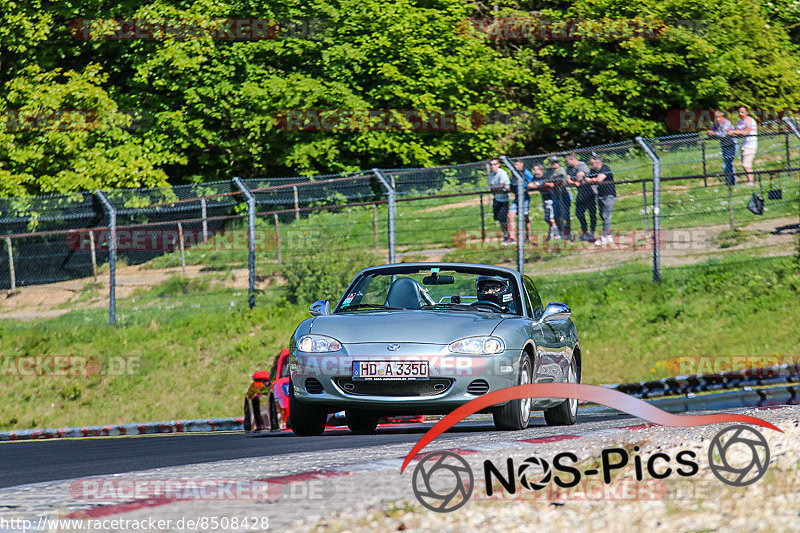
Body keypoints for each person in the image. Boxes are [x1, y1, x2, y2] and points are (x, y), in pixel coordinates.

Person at [586, 154, 616, 246]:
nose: (591, 165)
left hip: (609, 195)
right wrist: (592, 179)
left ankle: (604, 236)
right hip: (600, 195)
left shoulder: (605, 168)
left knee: (606, 215)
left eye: (592, 163)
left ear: (597, 162)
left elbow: (599, 179)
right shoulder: (593, 170)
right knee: (602, 216)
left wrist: (592, 179)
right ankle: (608, 235)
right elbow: (586, 178)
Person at [566, 153, 596, 242]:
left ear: (572, 160)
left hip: (589, 191)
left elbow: (580, 176)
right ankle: (585, 232)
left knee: (592, 213)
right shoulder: (570, 169)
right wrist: (574, 182)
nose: (567, 163)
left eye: (567, 161)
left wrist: (575, 181)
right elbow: (567, 179)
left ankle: (592, 232)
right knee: (579, 213)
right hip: (580, 193)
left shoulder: (581, 165)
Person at [527, 164, 559, 240]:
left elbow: (550, 184)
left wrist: (540, 185)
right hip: (544, 198)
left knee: (550, 217)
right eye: (533, 170)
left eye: (535, 169)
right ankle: (552, 233)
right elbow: (530, 185)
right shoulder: (535, 178)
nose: (534, 171)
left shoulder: (546, 176)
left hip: (551, 198)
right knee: (547, 218)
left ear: (540, 170)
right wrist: (539, 185)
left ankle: (556, 234)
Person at [707, 110, 737, 186]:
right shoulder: (715, 124)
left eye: (718, 117)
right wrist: (710, 133)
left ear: (722, 117)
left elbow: (724, 134)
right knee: (728, 165)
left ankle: (731, 183)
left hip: (731, 145)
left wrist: (714, 133)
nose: (717, 119)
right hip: (724, 146)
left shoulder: (727, 123)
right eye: (715, 117)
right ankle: (730, 183)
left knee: (727, 164)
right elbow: (712, 131)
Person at [730, 105, 758, 185]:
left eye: (742, 112)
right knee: (745, 165)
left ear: (746, 112)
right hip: (744, 146)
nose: (740, 113)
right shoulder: (740, 122)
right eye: (739, 112)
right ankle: (750, 180)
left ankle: (751, 182)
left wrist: (735, 132)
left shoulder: (749, 120)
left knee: (746, 165)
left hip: (751, 145)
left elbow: (746, 132)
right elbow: (737, 131)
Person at [545, 155, 571, 240]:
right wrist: (550, 184)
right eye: (552, 162)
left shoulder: (561, 169)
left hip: (564, 194)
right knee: (556, 216)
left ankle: (567, 233)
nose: (554, 164)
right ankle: (560, 232)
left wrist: (551, 183)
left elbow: (559, 181)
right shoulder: (548, 171)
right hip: (555, 195)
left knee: (566, 214)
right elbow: (545, 182)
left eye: (556, 162)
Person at [487, 158, 512, 244]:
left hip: (504, 199)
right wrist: (496, 190)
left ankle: (509, 236)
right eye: (491, 164)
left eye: (494, 164)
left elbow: (503, 187)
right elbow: (491, 188)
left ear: (498, 165)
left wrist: (497, 189)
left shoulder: (502, 173)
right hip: (497, 198)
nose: (493, 166)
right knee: (500, 219)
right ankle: (505, 235)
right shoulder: (491, 175)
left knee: (504, 218)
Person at [508, 160, 533, 242]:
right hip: (517, 197)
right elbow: (513, 184)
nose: (515, 166)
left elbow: (533, 181)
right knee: (510, 215)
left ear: (521, 164)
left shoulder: (526, 172)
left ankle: (527, 236)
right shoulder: (514, 173)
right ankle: (512, 237)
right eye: (514, 164)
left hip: (524, 197)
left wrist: (525, 186)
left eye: (517, 164)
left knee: (525, 216)